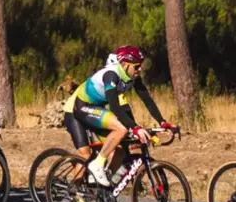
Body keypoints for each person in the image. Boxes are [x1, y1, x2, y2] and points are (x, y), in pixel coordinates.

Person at [63, 46, 173, 188]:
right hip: (80, 107)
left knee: (120, 152)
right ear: (125, 64)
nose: (140, 69)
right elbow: (115, 107)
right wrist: (135, 127)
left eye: (141, 65)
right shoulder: (111, 75)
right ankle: (91, 172)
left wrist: (163, 123)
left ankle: (103, 189)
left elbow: (147, 100)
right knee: (114, 134)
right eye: (137, 66)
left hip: (95, 108)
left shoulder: (132, 78)